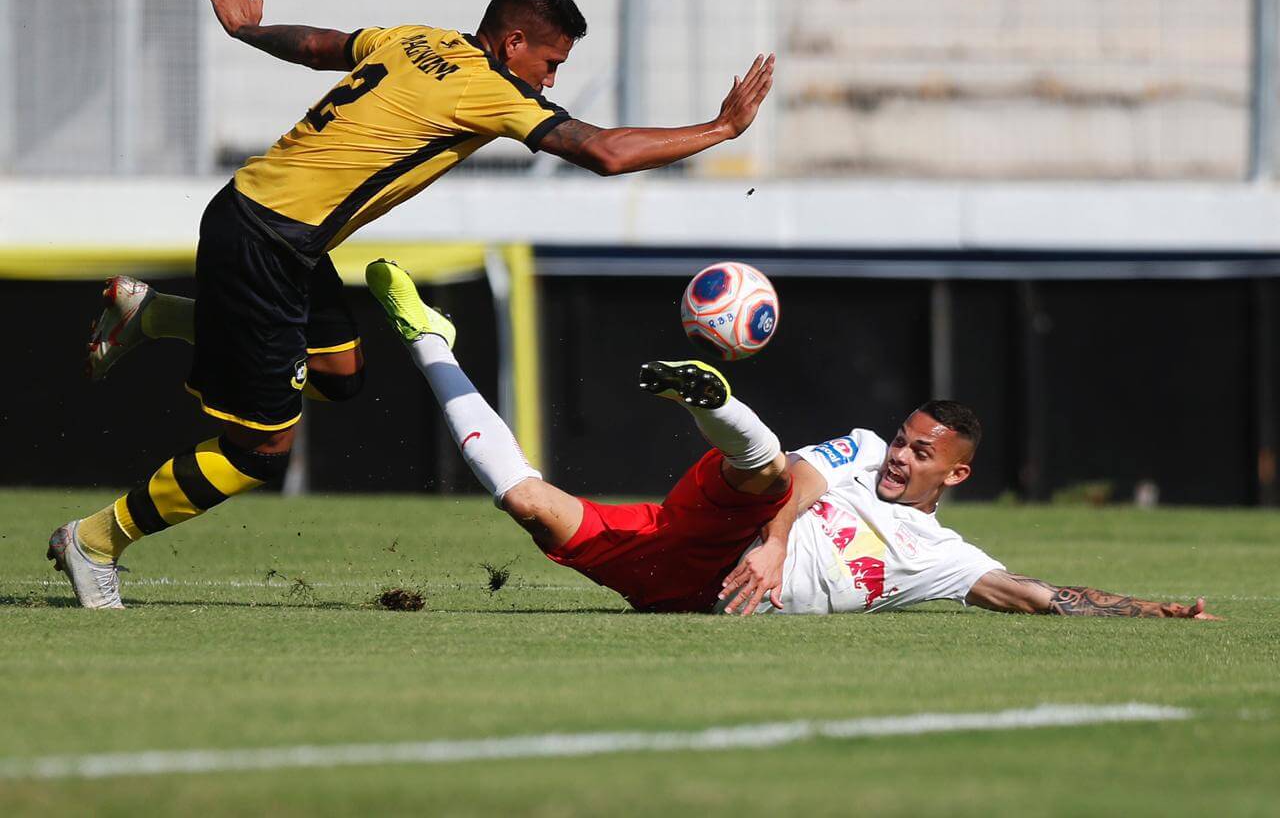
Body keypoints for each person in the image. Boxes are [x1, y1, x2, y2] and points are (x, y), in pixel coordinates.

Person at [49, 0, 776, 609]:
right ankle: (95, 542)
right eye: (550, 61)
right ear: (512, 42)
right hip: (266, 242)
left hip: (274, 230)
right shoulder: (490, 88)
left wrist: (249, 32)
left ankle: (156, 315)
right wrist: (718, 129)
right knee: (259, 451)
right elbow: (604, 152)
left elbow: (318, 47)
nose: (552, 80)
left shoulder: (417, 38)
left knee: (339, 374)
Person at [365, 259, 1220, 620]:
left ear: (955, 474)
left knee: (525, 501)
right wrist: (775, 546)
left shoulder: (943, 555)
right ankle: (713, 402)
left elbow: (1037, 596)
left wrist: (1152, 609)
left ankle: (428, 338)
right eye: (902, 438)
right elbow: (802, 478)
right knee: (770, 474)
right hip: (725, 532)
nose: (899, 454)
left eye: (922, 453)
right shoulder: (853, 450)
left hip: (681, 592)